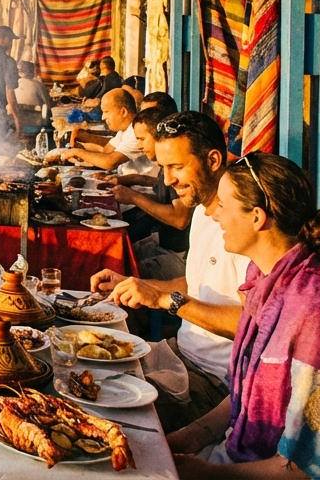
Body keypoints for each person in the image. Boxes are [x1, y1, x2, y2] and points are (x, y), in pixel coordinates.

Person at [170, 153, 320, 479]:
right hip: (239, 454)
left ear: (257, 217)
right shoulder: (268, 281)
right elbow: (247, 393)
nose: (214, 214)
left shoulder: (314, 316)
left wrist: (205, 472)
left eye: (223, 204)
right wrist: (195, 434)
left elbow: (314, 467)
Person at [91, 111, 248, 433]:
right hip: (178, 354)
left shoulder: (243, 222)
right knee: (78, 372)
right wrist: (137, 284)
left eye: (176, 166)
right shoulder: (204, 210)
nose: (167, 180)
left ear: (214, 160)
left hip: (218, 382)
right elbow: (199, 281)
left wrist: (165, 300)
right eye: (163, 168)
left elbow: (257, 322)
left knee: (102, 419)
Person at [108, 107, 192, 280]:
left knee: (121, 271)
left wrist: (133, 197)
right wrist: (129, 193)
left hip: (179, 258)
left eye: (141, 139)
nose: (139, 146)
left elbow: (180, 219)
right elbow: (164, 201)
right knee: (114, 257)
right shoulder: (164, 168)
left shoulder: (175, 168)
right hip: (162, 245)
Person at [60, 88, 156, 175]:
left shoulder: (136, 131)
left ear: (123, 112)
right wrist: (83, 148)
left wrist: (78, 152)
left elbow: (110, 162)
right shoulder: (124, 130)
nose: (103, 117)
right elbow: (106, 150)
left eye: (106, 112)